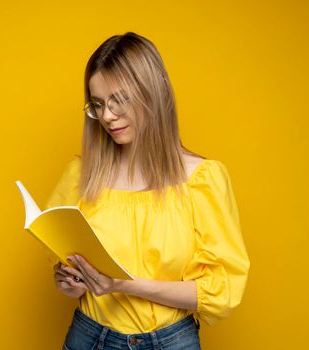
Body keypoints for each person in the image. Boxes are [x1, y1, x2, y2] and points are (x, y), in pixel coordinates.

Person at [45, 32, 250, 350]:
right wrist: (69, 281)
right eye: (97, 105)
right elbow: (65, 256)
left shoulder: (202, 179)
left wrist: (124, 285)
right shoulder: (81, 175)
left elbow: (220, 290)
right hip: (89, 337)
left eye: (118, 100)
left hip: (172, 341)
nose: (107, 116)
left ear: (152, 94)